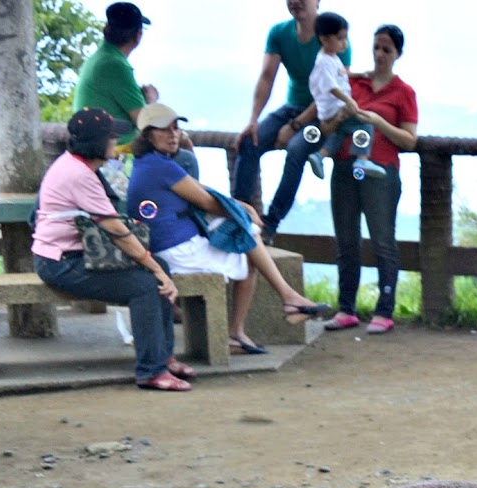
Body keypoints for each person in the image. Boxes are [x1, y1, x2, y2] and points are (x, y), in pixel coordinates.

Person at [125, 103, 333, 354]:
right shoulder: (161, 166)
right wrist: (247, 212)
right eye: (164, 130)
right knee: (247, 239)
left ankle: (268, 312)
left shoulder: (149, 162)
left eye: (176, 128)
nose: (173, 135)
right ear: (148, 135)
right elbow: (206, 201)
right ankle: (274, 307)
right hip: (177, 252)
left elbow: (200, 191)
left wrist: (243, 208)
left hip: (170, 246)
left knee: (246, 237)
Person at [32, 108, 192, 392]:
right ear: (96, 142)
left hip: (73, 253)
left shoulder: (77, 165)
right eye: (110, 135)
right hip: (60, 263)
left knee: (161, 271)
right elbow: (117, 231)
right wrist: (153, 268)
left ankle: (163, 355)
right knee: (146, 284)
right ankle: (150, 371)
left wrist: (158, 269)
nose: (115, 139)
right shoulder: (80, 175)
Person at [325, 23, 416, 334]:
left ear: (397, 54)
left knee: (382, 241)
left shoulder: (403, 93)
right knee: (346, 239)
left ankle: (384, 309)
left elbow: (409, 140)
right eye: (376, 47)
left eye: (386, 49)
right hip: (345, 166)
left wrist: (379, 122)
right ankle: (346, 308)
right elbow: (329, 111)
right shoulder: (355, 83)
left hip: (382, 171)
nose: (379, 54)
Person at [233, 0, 349, 243]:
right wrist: (253, 120)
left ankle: (270, 223)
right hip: (292, 106)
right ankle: (239, 218)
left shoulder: (334, 35)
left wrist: (295, 125)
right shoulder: (279, 33)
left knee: (296, 150)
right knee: (249, 143)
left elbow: (333, 91)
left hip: (324, 114)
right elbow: (267, 77)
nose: (295, 2)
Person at [301, 13, 382, 182]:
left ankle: (319, 156)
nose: (344, 43)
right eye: (340, 38)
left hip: (333, 109)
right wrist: (348, 100)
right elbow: (331, 86)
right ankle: (362, 160)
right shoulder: (323, 62)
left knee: (341, 133)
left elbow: (342, 74)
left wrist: (360, 74)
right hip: (334, 107)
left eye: (345, 38)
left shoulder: (332, 58)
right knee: (365, 123)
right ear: (324, 39)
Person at [73, 3, 159, 124]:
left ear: (106, 29)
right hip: (111, 142)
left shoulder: (101, 57)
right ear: (138, 35)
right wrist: (152, 100)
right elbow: (145, 123)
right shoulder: (114, 65)